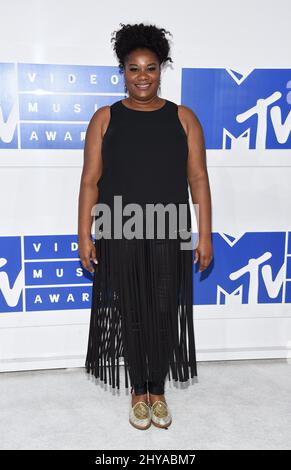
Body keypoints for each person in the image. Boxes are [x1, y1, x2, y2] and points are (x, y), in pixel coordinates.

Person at [78, 23, 213, 430]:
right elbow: (90, 180)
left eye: (150, 68)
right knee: (133, 313)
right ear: (123, 71)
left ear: (162, 69)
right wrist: (84, 234)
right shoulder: (105, 118)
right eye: (134, 68)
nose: (142, 76)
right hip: (118, 230)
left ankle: (159, 389)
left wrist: (204, 234)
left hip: (170, 231)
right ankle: (140, 392)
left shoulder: (183, 118)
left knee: (162, 310)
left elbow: (199, 180)